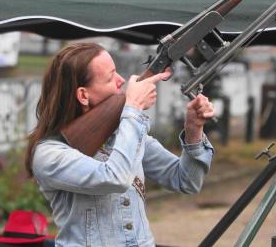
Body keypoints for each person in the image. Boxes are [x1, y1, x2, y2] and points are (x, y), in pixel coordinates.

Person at [25, 42, 215, 247]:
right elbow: (114, 178)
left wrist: (193, 129)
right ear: (83, 95)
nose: (121, 80)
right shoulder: (48, 154)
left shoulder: (122, 133)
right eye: (110, 77)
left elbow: (186, 180)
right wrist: (133, 108)